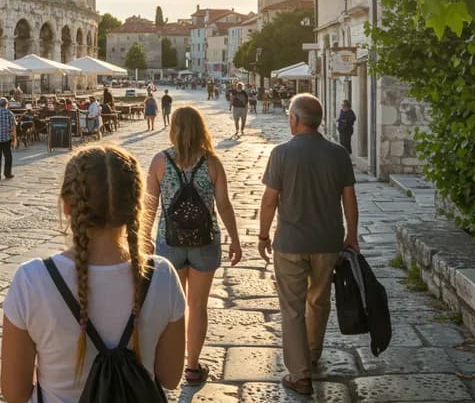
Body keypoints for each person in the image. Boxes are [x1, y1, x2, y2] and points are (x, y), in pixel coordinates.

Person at [1, 146, 186, 402]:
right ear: (136, 205)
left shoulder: (32, 280)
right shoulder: (162, 275)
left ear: (67, 206)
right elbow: (170, 376)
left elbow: (14, 392)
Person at [257, 93, 359, 396]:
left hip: (290, 242)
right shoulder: (338, 154)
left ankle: (300, 374)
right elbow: (349, 198)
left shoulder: (281, 154)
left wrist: (263, 235)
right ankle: (312, 354)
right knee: (318, 300)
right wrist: (351, 235)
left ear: (294, 119)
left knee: (292, 307)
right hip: (327, 242)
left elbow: (270, 200)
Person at [145, 107, 243, 385]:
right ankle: (191, 367)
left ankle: (164, 365)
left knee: (170, 307)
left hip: (169, 241)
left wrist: (144, 239)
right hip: (205, 241)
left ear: (173, 129)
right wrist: (235, 240)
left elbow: (150, 206)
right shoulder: (212, 162)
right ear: (201, 129)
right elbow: (223, 205)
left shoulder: (160, 162)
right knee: (197, 305)